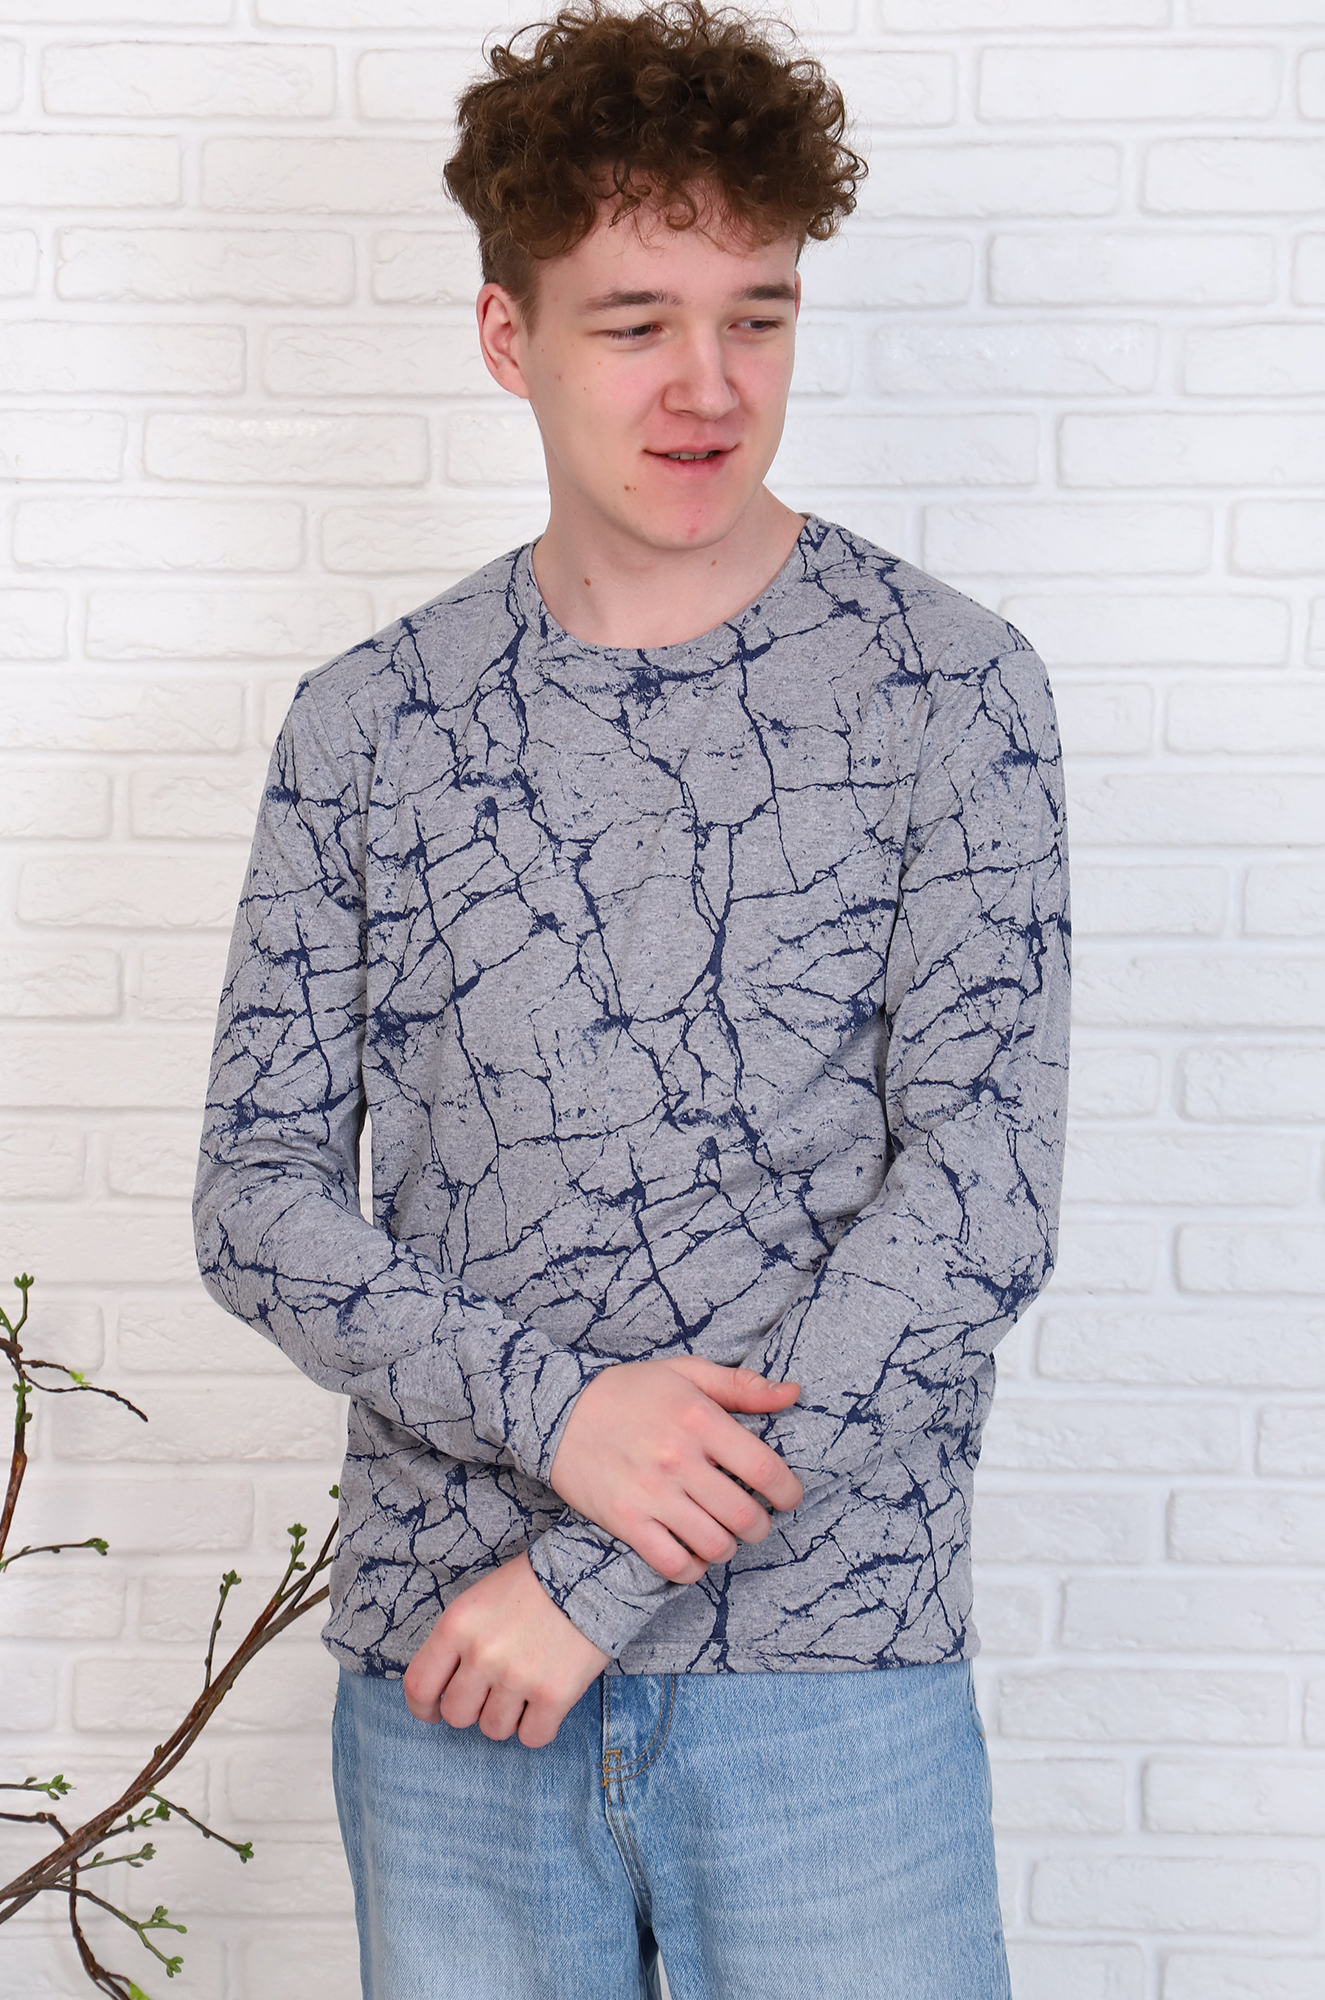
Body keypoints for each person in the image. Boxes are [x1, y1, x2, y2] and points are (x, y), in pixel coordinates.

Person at [194, 3, 1070, 1994]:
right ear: (506, 336)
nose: (709, 386)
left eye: (757, 315)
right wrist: (564, 1415)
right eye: (635, 321)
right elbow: (257, 1198)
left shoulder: (949, 689)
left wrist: (595, 1568)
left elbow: (977, 1206)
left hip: (828, 1684)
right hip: (453, 1684)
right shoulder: (370, 724)